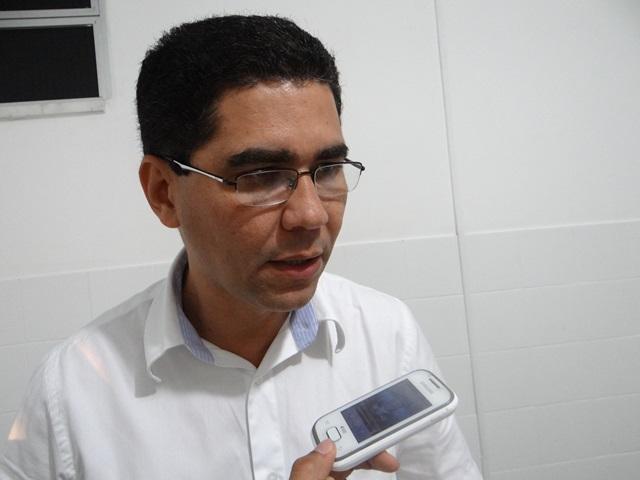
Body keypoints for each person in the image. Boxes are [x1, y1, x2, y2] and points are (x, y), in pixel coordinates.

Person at [0, 15, 481, 479]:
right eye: (261, 176)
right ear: (164, 193)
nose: (311, 214)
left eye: (329, 169)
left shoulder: (386, 334)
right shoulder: (72, 393)